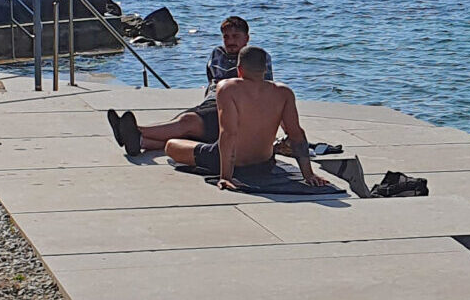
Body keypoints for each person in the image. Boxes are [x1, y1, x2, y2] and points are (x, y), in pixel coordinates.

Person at [164, 46, 329, 191]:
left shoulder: (228, 88)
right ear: (265, 69)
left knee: (171, 145)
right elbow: (296, 134)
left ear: (239, 69)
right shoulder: (284, 92)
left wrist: (226, 177)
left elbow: (228, 133)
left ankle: (148, 139)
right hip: (264, 164)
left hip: (230, 162)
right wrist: (308, 175)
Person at [106, 16, 268, 156]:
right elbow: (211, 80)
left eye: (235, 36)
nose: (230, 41)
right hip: (210, 104)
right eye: (226, 37)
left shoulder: (256, 58)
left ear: (246, 38)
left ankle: (134, 130)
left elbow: (262, 92)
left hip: (232, 109)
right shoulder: (217, 53)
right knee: (183, 129)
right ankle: (139, 141)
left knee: (187, 123)